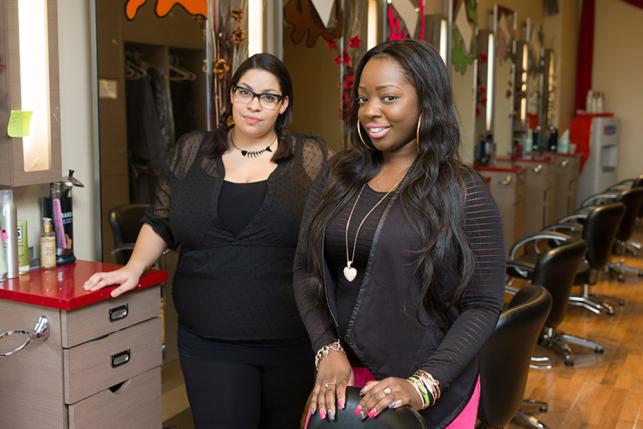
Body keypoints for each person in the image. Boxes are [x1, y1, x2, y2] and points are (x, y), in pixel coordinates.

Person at [84, 53, 333, 429]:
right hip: (209, 337)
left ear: (283, 105)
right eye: (245, 91)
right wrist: (133, 267)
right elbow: (161, 221)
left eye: (268, 96)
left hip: (291, 337)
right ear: (230, 96)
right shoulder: (191, 151)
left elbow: (339, 225)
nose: (254, 104)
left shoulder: (310, 157)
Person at [293, 40, 505, 428]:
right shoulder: (336, 176)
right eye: (362, 98)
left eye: (389, 97)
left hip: (431, 380)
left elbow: (483, 305)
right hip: (341, 374)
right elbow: (306, 272)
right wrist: (327, 350)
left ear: (427, 100)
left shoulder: (462, 191)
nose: (371, 111)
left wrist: (422, 385)